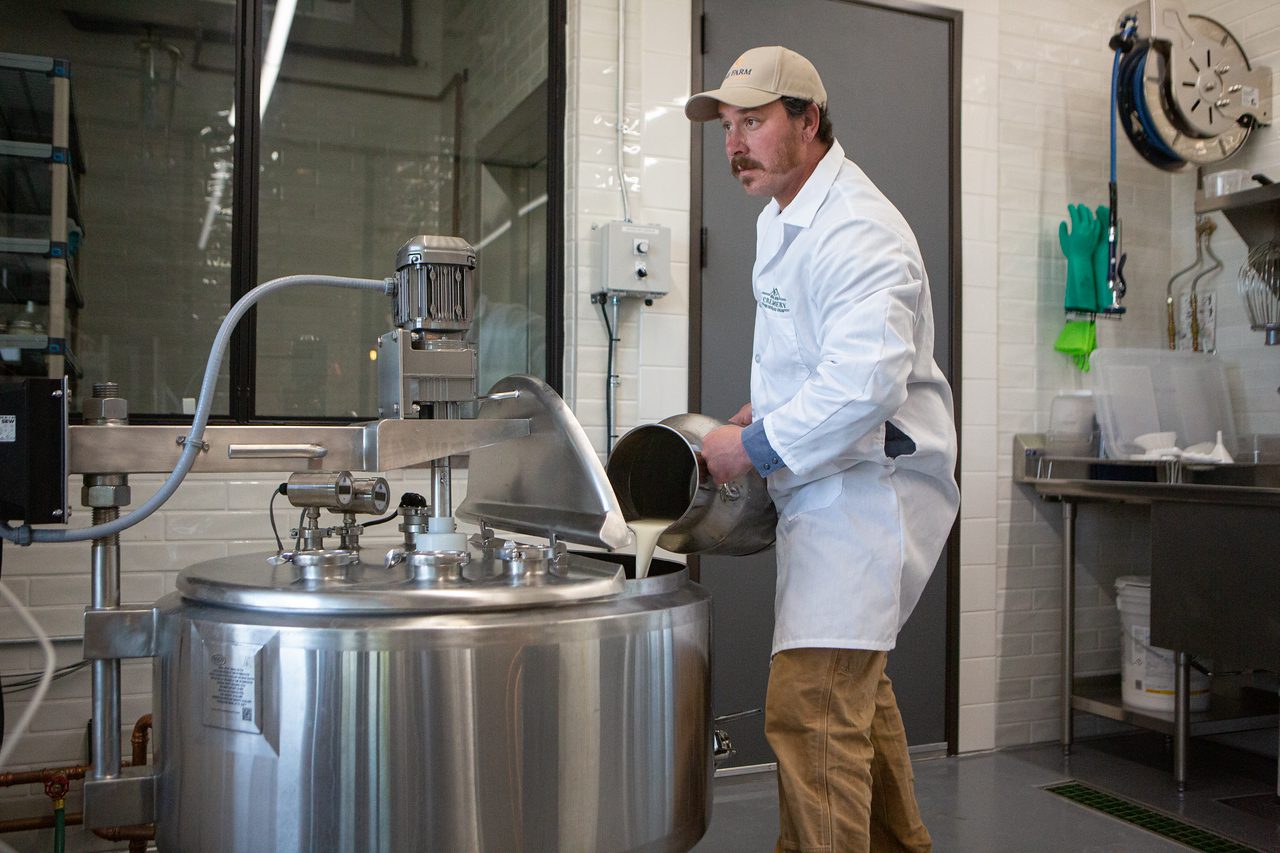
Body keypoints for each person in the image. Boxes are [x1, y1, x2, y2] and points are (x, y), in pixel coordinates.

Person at [685, 45, 959, 853]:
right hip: (827, 483)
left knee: (810, 708)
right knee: (853, 704)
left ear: (809, 120)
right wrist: (762, 410)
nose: (736, 143)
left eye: (755, 122)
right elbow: (818, 356)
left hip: (870, 492)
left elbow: (863, 387)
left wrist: (756, 443)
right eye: (728, 126)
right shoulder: (784, 214)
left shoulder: (859, 227)